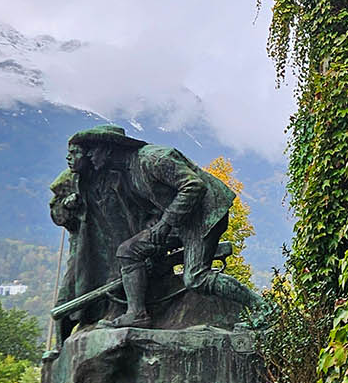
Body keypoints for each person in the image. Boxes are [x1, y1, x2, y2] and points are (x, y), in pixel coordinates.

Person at [64, 126, 262, 328]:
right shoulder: (126, 174)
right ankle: (137, 314)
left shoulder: (152, 159)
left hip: (204, 214)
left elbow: (194, 186)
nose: (89, 155)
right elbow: (158, 200)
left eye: (93, 149)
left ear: (109, 149)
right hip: (180, 219)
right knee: (128, 251)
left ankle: (262, 307)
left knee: (196, 278)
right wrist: (155, 220)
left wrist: (165, 223)